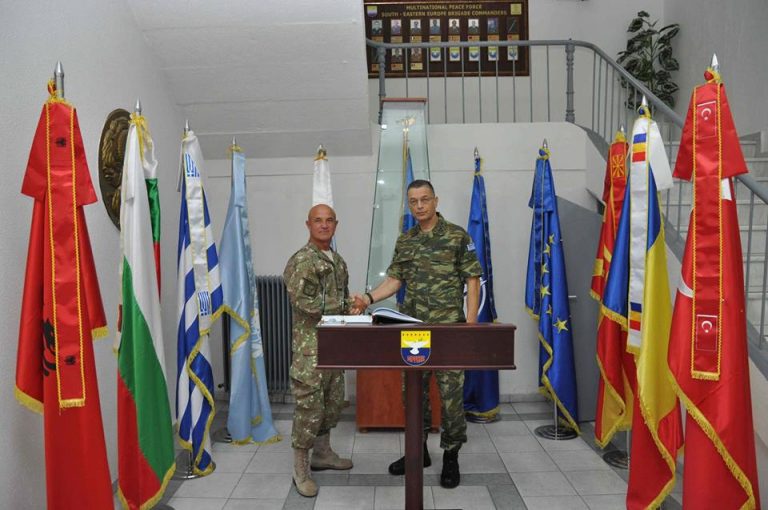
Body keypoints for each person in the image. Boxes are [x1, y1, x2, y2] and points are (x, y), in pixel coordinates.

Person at [352, 180, 481, 489]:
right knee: (413, 393)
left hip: (449, 330)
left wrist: (471, 325)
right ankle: (418, 451)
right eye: (413, 201)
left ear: (436, 200)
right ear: (409, 205)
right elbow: (395, 280)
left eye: (425, 199)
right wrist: (368, 299)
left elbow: (472, 279)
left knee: (451, 397)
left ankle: (451, 455)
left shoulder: (457, 236)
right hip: (414, 331)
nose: (420, 206)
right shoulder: (406, 240)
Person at [284, 204, 356, 497]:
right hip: (310, 349)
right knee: (309, 408)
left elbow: (342, 299)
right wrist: (346, 307)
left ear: (336, 225)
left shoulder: (337, 261)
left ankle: (323, 453)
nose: (324, 225)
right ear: (308, 225)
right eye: (318, 220)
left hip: (333, 346)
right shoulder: (303, 260)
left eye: (329, 221)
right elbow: (304, 303)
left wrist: (355, 309)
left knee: (331, 402)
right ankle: (300, 468)